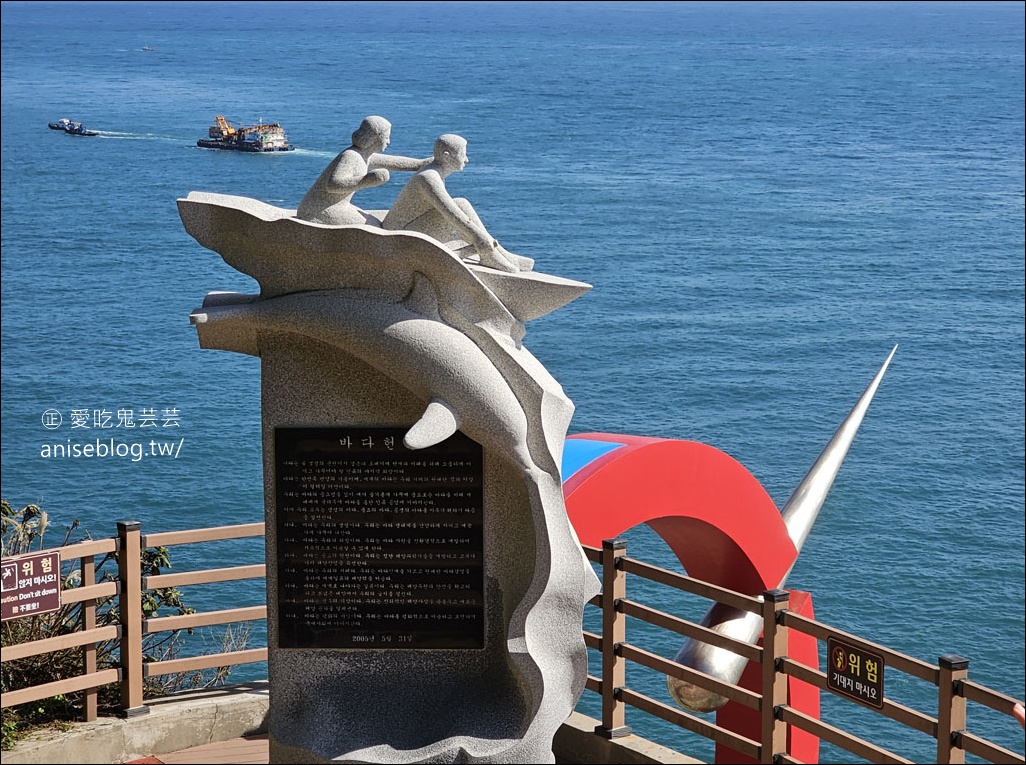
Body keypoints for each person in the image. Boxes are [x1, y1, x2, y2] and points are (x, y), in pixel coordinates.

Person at [382, 133, 533, 273]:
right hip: (398, 236)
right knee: (457, 209)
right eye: (463, 154)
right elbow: (450, 212)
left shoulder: (435, 170)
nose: (466, 159)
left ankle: (499, 252)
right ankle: (488, 252)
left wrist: (480, 237)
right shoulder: (428, 178)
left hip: (406, 229)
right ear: (447, 157)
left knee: (462, 202)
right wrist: (478, 237)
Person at [296, 115, 430, 226]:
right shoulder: (351, 156)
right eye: (386, 137)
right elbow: (333, 184)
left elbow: (394, 162)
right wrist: (367, 180)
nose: (388, 142)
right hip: (319, 209)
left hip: (336, 205)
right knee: (374, 228)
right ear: (374, 138)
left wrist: (422, 163)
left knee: (375, 225)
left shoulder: (364, 155)